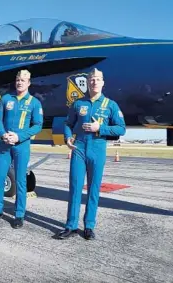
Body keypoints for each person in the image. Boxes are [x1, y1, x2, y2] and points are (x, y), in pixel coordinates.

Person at [57, 68, 126, 240]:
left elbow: (121, 128)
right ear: (87, 83)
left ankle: (89, 226)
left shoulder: (111, 105)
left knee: (93, 190)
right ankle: (71, 226)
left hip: (98, 148)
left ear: (103, 82)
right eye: (91, 79)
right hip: (79, 149)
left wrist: (100, 128)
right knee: (75, 188)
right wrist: (67, 138)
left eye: (97, 79)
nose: (94, 82)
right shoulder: (78, 104)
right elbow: (67, 123)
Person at [0, 69, 43, 229]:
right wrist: (3, 134)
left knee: (20, 180)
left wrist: (19, 136)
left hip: (21, 146)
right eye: (18, 79)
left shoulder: (34, 103)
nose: (19, 82)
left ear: (29, 83)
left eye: (23, 80)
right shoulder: (6, 99)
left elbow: (38, 125)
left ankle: (19, 215)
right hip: (5, 145)